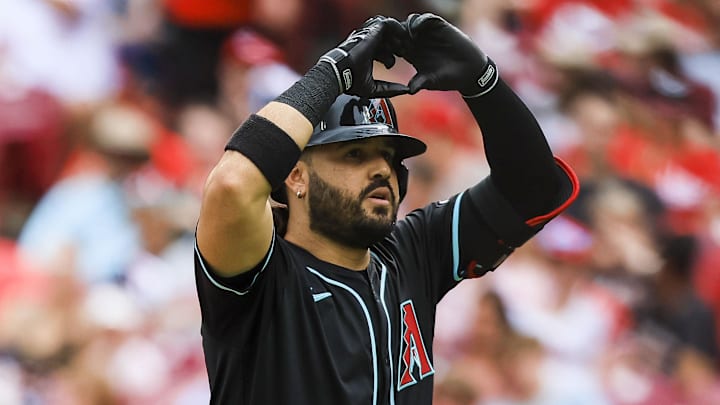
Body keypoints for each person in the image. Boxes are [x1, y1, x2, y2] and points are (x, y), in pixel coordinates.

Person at [194, 13, 579, 405]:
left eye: (389, 156)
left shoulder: (411, 253)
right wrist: (334, 72)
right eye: (355, 153)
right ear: (295, 176)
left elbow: (534, 189)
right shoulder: (260, 276)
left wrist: (482, 83)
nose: (381, 169)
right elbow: (231, 185)